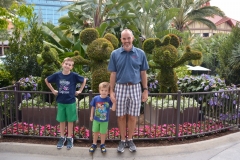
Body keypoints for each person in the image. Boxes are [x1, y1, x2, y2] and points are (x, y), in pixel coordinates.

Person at [108, 29, 149, 153]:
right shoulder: (115, 54)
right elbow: (113, 74)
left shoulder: (140, 53)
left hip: (135, 87)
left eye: (128, 38)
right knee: (120, 116)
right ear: (121, 39)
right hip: (120, 87)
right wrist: (111, 91)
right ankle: (122, 140)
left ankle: (130, 139)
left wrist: (145, 90)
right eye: (124, 38)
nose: (126, 41)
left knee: (132, 116)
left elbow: (143, 73)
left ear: (133, 38)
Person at [45, 57, 86, 149]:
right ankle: (62, 137)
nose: (67, 66)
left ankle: (69, 138)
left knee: (70, 121)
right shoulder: (57, 75)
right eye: (66, 64)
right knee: (62, 120)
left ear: (72, 67)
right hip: (61, 101)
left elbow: (84, 80)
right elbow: (47, 80)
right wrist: (52, 90)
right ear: (62, 64)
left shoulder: (74, 75)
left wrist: (80, 90)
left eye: (69, 65)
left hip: (70, 102)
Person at [89, 82, 116, 153]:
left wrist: (114, 102)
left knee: (103, 133)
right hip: (96, 119)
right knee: (95, 132)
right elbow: (93, 107)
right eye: (102, 90)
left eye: (106, 90)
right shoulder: (96, 98)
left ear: (108, 91)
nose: (104, 92)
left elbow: (113, 109)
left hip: (104, 120)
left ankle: (102, 145)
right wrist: (91, 116)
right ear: (99, 90)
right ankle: (94, 144)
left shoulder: (109, 99)